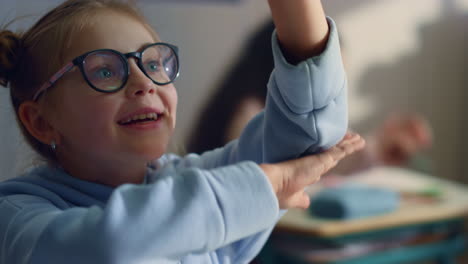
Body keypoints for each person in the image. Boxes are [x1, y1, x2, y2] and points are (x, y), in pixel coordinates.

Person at [0, 0, 365, 263]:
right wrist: (264, 184)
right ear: (41, 121)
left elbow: (305, 135)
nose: (145, 83)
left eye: (154, 63)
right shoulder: (17, 217)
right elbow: (108, 247)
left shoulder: (189, 180)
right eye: (105, 71)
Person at [188, 20, 432, 174]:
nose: (334, 101)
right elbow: (293, 173)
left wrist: (379, 145)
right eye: (331, 88)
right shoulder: (248, 120)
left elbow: (326, 155)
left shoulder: (294, 118)